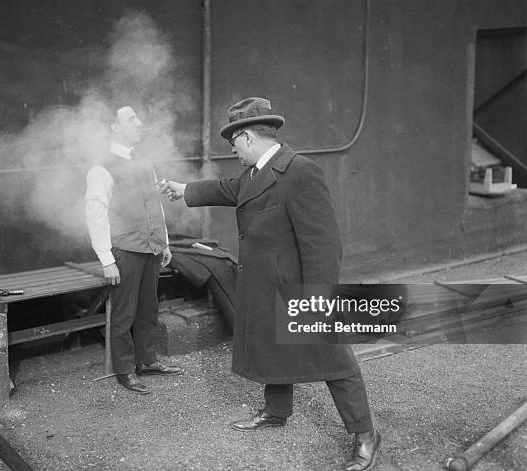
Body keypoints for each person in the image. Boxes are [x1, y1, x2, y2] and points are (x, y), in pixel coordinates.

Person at [160, 97, 381, 470]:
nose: (233, 152)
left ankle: (365, 434)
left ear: (246, 137)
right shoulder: (253, 173)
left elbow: (325, 245)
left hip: (299, 290)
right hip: (266, 287)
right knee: (270, 347)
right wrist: (185, 190)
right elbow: (228, 189)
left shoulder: (301, 172)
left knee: (333, 360)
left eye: (234, 144)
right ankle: (277, 412)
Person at [85, 106, 182, 395]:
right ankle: (125, 370)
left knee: (148, 309)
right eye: (131, 119)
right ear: (114, 127)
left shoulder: (145, 161)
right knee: (124, 314)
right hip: (125, 251)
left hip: (151, 248)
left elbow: (157, 204)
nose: (140, 123)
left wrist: (164, 242)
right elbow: (95, 212)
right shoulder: (101, 167)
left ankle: (147, 361)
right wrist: (106, 259)